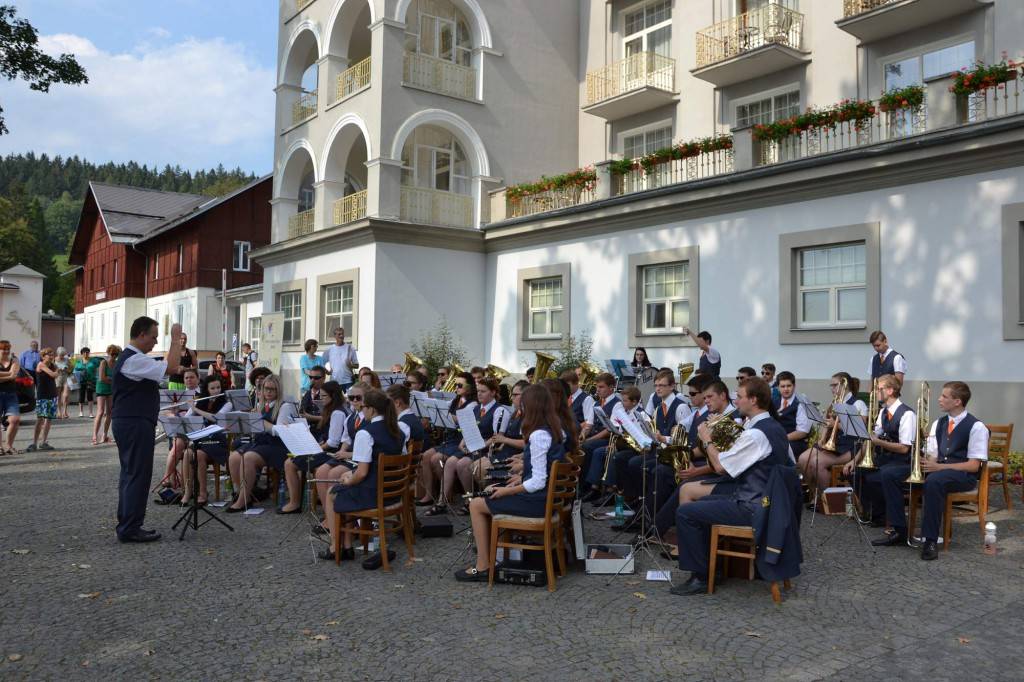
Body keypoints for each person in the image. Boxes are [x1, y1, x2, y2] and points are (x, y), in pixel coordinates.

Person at [671, 377, 791, 596]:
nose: (736, 402)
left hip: (753, 506)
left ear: (753, 400)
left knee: (686, 512)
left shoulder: (756, 434)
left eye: (740, 397)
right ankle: (711, 568)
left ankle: (700, 576)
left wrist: (707, 439)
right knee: (702, 502)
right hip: (767, 500)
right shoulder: (774, 426)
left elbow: (719, 466)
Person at [455, 383, 567, 582]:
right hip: (543, 499)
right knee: (490, 490)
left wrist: (508, 492)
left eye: (523, 405)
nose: (520, 409)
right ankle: (493, 554)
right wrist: (517, 480)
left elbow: (539, 481)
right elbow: (543, 471)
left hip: (537, 502)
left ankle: (483, 566)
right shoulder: (553, 428)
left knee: (476, 504)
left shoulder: (539, 434)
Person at [873, 381, 988, 559]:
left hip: (962, 475)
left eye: (944, 396)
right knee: (889, 473)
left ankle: (930, 540)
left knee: (934, 481)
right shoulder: (939, 423)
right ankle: (900, 531)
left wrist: (939, 467)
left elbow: (973, 465)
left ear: (957, 401)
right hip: (938, 469)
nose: (939, 399)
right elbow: (934, 455)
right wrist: (924, 461)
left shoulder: (976, 427)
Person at [319, 388, 410, 567]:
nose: (361, 410)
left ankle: (337, 547)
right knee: (342, 484)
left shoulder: (365, 433)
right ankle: (346, 546)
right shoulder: (398, 430)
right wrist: (349, 476)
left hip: (373, 495)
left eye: (364, 407)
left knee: (332, 492)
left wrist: (348, 479)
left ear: (372, 410)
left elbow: (361, 473)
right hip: (393, 492)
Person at [113, 316, 178, 543]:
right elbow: (172, 367)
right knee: (137, 474)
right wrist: (176, 339)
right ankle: (130, 527)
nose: (155, 341)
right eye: (153, 336)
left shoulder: (133, 358)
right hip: (134, 422)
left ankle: (128, 523)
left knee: (131, 473)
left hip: (131, 421)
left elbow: (164, 367)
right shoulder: (134, 360)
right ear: (141, 334)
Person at [844, 374, 915, 526]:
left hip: (903, 461)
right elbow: (870, 440)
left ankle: (889, 518)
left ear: (889, 391)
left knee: (878, 476)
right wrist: (853, 460)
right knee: (854, 472)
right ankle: (874, 512)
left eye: (878, 389)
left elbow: (904, 448)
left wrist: (878, 442)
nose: (873, 392)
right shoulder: (883, 412)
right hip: (887, 458)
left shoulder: (907, 414)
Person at [225, 374, 300, 512]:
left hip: (277, 446)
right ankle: (244, 494)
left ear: (278, 390)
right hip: (261, 443)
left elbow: (282, 431)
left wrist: (264, 424)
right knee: (234, 457)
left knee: (248, 458)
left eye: (272, 389)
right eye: (266, 389)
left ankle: (243, 499)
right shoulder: (262, 405)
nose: (268, 392)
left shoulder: (285, 406)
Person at [280, 380, 349, 514]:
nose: (321, 399)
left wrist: (314, 448)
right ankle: (295, 502)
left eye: (324, 396)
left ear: (333, 396)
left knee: (289, 463)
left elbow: (333, 442)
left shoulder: (338, 413)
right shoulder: (333, 410)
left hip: (333, 453)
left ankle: (295, 503)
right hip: (327, 450)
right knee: (290, 460)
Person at [798, 372, 866, 503]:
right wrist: (822, 438)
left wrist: (836, 425)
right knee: (802, 459)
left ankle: (827, 500)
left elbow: (860, 431)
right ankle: (815, 493)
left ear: (845, 385)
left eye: (835, 385)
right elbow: (826, 424)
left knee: (816, 462)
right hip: (833, 443)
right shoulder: (834, 403)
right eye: (831, 385)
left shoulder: (858, 404)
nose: (832, 389)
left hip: (849, 446)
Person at [446, 377, 508, 514]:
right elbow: (467, 429)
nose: (479, 394)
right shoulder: (476, 409)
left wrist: (480, 445)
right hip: (473, 446)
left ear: (493, 392)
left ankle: (471, 500)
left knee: (462, 464)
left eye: (483, 391)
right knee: (450, 462)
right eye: (478, 391)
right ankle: (442, 500)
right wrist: (463, 441)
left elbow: (497, 438)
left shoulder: (499, 410)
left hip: (486, 449)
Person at [421, 372, 479, 514]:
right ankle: (434, 493)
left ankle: (445, 496)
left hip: (461, 440)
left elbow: (463, 420)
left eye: (460, 385)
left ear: (470, 388)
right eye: (455, 385)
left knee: (436, 459)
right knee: (426, 456)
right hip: (452, 439)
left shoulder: (473, 404)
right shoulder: (456, 400)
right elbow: (439, 407)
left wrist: (445, 415)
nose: (456, 388)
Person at [313, 382, 370, 518]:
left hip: (360, 459)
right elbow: (346, 439)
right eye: (351, 398)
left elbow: (370, 450)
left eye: (358, 397)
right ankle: (329, 515)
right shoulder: (351, 417)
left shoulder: (370, 418)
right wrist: (342, 452)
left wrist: (347, 454)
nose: (354, 401)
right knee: (320, 472)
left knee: (333, 474)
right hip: (349, 456)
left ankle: (341, 517)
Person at [181, 374, 235, 506]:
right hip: (202, 439)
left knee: (198, 454)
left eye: (218, 387)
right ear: (207, 390)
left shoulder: (227, 403)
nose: (216, 391)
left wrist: (196, 409)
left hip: (217, 440)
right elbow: (186, 419)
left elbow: (216, 418)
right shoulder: (202, 401)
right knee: (187, 453)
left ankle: (203, 493)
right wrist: (191, 407)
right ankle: (188, 492)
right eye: (213, 388)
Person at [578, 373, 621, 501]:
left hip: (608, 439)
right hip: (595, 436)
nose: (598, 390)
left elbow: (609, 429)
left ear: (611, 387)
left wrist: (590, 439)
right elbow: (589, 424)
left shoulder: (617, 404)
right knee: (579, 444)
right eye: (597, 387)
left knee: (588, 446)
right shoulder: (597, 403)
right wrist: (583, 435)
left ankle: (590, 487)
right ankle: (580, 484)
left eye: (601, 387)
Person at [161, 368, 202, 490]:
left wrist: (181, 416)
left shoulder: (201, 393)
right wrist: (173, 413)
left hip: (197, 427)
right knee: (177, 444)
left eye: (192, 377)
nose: (189, 380)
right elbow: (167, 411)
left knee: (177, 443)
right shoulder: (179, 395)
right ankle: (169, 478)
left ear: (198, 379)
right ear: (183, 381)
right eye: (186, 378)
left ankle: (168, 478)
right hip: (182, 426)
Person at [773, 371, 810, 458]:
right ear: (778, 387)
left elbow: (802, 432)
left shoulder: (801, 403)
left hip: (795, 443)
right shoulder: (774, 402)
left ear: (794, 386)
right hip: (776, 440)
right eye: (782, 386)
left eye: (789, 386)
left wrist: (780, 439)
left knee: (774, 452)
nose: (786, 389)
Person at [29, 348, 59, 452]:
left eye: (52, 354)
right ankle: (34, 443)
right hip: (42, 396)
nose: (51, 356)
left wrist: (57, 369)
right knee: (40, 419)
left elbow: (56, 373)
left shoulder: (52, 365)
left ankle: (44, 442)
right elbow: (53, 374)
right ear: (43, 356)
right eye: (49, 354)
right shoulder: (41, 365)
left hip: (52, 394)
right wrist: (58, 370)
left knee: (49, 419)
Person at [92, 345, 120, 446]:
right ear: (108, 353)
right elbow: (101, 378)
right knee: (100, 412)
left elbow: (116, 378)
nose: (114, 356)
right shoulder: (103, 362)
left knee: (110, 412)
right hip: (101, 388)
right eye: (112, 354)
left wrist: (110, 379)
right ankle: (94, 436)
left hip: (110, 389)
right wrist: (111, 380)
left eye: (116, 355)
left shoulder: (116, 363)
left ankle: (104, 435)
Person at [0, 340, 22, 455]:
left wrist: (5, 375)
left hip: (11, 394)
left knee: (15, 420)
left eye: (8, 349)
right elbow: (11, 374)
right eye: (4, 349)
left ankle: (8, 445)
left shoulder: (14, 360)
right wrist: (9, 374)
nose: (6, 351)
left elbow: (14, 375)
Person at [299, 365, 327, 439]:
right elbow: (302, 412)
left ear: (324, 378)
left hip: (323, 433)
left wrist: (310, 417)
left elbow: (328, 417)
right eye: (310, 377)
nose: (312, 380)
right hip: (307, 432)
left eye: (316, 378)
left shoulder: (328, 394)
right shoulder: (307, 394)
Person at [74, 347, 100, 418]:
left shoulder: (93, 361)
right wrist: (80, 372)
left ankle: (91, 413)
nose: (86, 354)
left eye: (87, 352)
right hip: (82, 381)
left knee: (90, 396)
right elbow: (75, 371)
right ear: (82, 354)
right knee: (81, 396)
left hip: (90, 380)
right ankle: (80, 412)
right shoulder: (79, 362)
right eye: (84, 352)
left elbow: (100, 364)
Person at [55, 347, 71, 419]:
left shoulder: (67, 359)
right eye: (61, 355)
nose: (62, 356)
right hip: (57, 377)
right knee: (58, 395)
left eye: (63, 355)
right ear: (58, 354)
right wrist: (58, 369)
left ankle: (65, 411)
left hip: (66, 376)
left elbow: (71, 368)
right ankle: (59, 411)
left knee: (66, 395)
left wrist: (67, 369)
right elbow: (51, 368)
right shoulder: (54, 359)